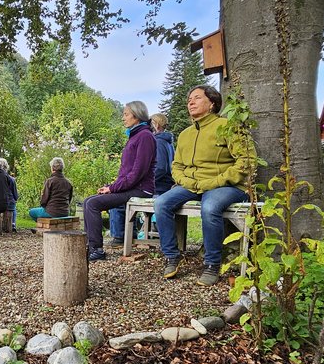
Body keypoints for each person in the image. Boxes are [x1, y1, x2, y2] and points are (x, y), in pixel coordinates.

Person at [155, 85, 256, 285]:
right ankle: (172, 256)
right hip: (192, 184)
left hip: (226, 186)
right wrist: (186, 181)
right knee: (161, 203)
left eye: (197, 98)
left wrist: (215, 181)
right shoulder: (185, 134)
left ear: (212, 103)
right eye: (189, 99)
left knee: (209, 207)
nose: (190, 102)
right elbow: (177, 166)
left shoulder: (229, 127)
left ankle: (212, 264)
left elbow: (247, 161)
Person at [84, 101, 156, 261]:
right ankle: (89, 246)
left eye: (126, 114)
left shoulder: (145, 136)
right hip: (131, 187)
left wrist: (113, 188)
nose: (123, 118)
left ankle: (97, 250)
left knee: (92, 204)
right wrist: (111, 186)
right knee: (88, 201)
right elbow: (127, 172)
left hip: (141, 189)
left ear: (136, 116)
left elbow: (138, 173)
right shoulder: (135, 135)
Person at [107, 112, 177, 243]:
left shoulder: (158, 142)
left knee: (116, 202)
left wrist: (140, 180)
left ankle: (120, 236)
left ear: (156, 125)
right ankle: (127, 234)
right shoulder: (168, 142)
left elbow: (160, 169)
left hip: (158, 188)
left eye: (150, 124)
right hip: (165, 186)